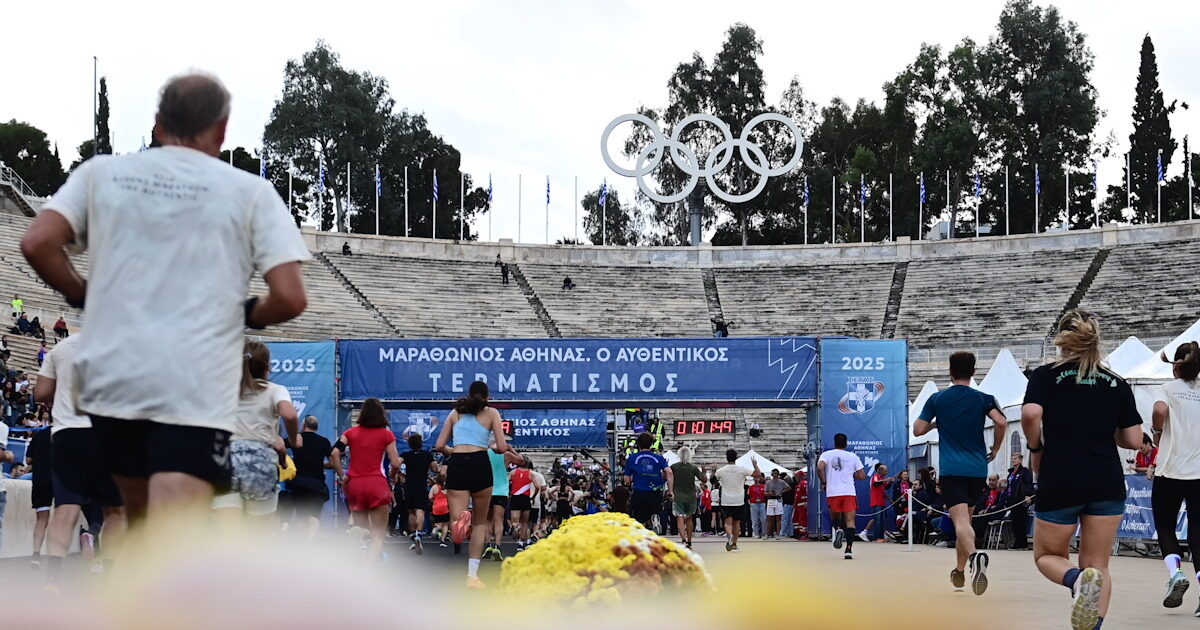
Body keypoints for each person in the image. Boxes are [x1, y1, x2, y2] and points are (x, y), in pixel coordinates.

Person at [22, 72, 310, 525]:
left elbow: (37, 242)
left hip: (115, 372)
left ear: (158, 125)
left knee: (139, 521)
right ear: (221, 130)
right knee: (178, 526)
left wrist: (83, 294)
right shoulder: (251, 191)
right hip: (195, 376)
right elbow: (291, 299)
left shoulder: (103, 174)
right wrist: (246, 312)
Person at [1021, 309, 1143, 630]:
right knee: (1099, 564)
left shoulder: (1045, 376)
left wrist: (1036, 448)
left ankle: (1075, 580)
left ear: (1061, 341)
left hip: (1061, 475)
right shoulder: (1116, 383)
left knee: (1047, 556)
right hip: (1106, 479)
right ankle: (1094, 624)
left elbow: (1031, 414)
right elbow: (1134, 439)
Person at [913, 351, 1007, 595]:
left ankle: (975, 557)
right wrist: (995, 449)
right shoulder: (984, 398)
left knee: (961, 522)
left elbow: (918, 430)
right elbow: (1002, 422)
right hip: (977, 468)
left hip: (952, 469)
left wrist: (936, 423)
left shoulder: (938, 399)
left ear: (950, 372)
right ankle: (959, 571)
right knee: (965, 522)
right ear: (974, 372)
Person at [35, 333, 127, 582]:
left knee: (65, 510)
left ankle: (52, 581)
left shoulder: (63, 346)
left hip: (68, 434)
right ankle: (109, 578)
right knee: (114, 512)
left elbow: (40, 392)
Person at [433, 380, 515, 588]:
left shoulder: (456, 413)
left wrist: (455, 451)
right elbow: (502, 446)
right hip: (480, 462)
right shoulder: (492, 413)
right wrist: (492, 447)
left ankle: (459, 524)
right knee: (480, 523)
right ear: (487, 397)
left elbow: (439, 445)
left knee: (455, 516)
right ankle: (472, 576)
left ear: (469, 395)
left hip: (458, 463)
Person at [212, 341, 300, 526]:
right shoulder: (275, 390)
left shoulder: (225, 391)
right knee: (259, 533)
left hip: (227, 458)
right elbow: (289, 414)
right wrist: (293, 438)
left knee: (228, 531)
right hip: (260, 459)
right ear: (268, 367)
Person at [1150, 341, 1200, 613]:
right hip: (1199, 474)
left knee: (1166, 526)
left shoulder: (1166, 389)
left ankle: (1176, 574)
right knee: (1198, 533)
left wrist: (1158, 430)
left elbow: (1159, 411)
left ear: (1176, 367)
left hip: (1170, 470)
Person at [331, 398, 402, 561]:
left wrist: (342, 476)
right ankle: (369, 567)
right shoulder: (386, 434)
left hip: (354, 484)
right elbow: (395, 462)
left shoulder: (350, 433)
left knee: (360, 528)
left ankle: (357, 547)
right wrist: (392, 476)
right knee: (379, 534)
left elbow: (334, 453)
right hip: (377, 483)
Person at [817, 433, 866, 560]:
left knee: (835, 517)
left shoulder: (826, 454)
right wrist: (852, 474)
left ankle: (838, 529)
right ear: (846, 443)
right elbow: (862, 476)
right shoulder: (852, 456)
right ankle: (848, 550)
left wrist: (824, 482)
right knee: (850, 521)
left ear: (834, 443)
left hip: (833, 491)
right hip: (849, 491)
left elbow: (820, 467)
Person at [285, 415, 332, 539]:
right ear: (317, 427)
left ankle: (303, 546)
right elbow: (333, 462)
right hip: (317, 485)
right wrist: (320, 464)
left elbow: (279, 447)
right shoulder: (324, 441)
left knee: (301, 516)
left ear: (303, 425)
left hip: (299, 484)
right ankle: (310, 542)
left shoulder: (296, 439)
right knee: (314, 517)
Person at [483, 440, 524, 561]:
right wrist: (511, 449)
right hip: (501, 491)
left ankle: (488, 545)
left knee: (487, 520)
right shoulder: (507, 454)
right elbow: (522, 461)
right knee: (498, 520)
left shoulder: (485, 453)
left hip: (486, 489)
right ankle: (497, 546)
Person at [715, 448, 760, 552]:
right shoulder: (742, 469)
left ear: (726, 458)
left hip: (726, 500)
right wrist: (755, 464)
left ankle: (729, 535)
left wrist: (714, 470)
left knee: (728, 522)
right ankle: (734, 544)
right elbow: (757, 474)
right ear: (736, 458)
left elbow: (714, 479)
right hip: (739, 499)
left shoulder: (721, 470)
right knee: (737, 523)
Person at [623, 432, 672, 529]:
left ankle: (644, 530)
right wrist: (670, 490)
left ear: (638, 444)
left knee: (640, 518)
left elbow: (627, 480)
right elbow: (669, 472)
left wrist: (632, 479)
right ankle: (654, 518)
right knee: (654, 510)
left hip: (639, 491)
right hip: (655, 491)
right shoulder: (658, 458)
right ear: (651, 444)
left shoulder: (632, 458)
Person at [398, 433, 435, 554]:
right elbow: (435, 468)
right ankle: (419, 533)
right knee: (420, 511)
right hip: (421, 486)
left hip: (409, 487)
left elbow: (396, 463)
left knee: (411, 511)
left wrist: (398, 474)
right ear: (421, 443)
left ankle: (413, 534)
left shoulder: (406, 455)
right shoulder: (427, 455)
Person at [26, 421, 52, 568]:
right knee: (63, 518)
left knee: (42, 520)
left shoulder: (39, 435)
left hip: (40, 480)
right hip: (60, 480)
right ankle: (56, 556)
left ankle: (36, 554)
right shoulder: (65, 435)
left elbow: (28, 459)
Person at [669, 446, 705, 549]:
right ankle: (689, 541)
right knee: (689, 519)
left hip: (678, 496)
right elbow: (704, 479)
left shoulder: (674, 467)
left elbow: (666, 476)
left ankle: (683, 539)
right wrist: (703, 470)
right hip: (691, 497)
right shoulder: (693, 467)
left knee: (679, 518)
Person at [1002, 453, 1034, 550]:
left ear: (1020, 460)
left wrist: (1027, 495)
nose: (1013, 461)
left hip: (1020, 499)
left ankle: (1022, 543)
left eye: (1015, 459)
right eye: (1012, 459)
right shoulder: (1011, 473)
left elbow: (1028, 483)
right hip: (1012, 500)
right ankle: (1017, 542)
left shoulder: (1025, 472)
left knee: (1021, 521)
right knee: (1015, 522)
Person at [509, 457, 536, 549]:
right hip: (525, 498)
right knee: (525, 522)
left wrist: (509, 492)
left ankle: (516, 528)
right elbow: (537, 486)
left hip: (515, 497)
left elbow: (506, 482)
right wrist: (533, 496)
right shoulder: (531, 473)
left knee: (515, 521)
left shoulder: (513, 472)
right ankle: (521, 541)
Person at [869, 464, 896, 541]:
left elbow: (885, 487)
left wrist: (890, 482)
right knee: (877, 520)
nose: (886, 472)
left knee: (882, 520)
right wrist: (887, 480)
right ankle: (876, 537)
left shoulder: (882, 478)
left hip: (882, 502)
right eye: (885, 471)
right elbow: (876, 483)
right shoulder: (876, 476)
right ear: (880, 470)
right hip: (876, 502)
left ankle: (881, 537)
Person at [765, 469, 789, 540]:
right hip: (771, 500)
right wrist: (770, 493)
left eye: (776, 473)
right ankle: (768, 534)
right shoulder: (768, 482)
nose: (774, 475)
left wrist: (782, 491)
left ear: (778, 474)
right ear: (771, 474)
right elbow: (765, 492)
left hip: (778, 500)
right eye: (773, 473)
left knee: (778, 518)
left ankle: (778, 534)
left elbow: (788, 488)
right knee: (769, 518)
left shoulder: (781, 482)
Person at [429, 476, 450, 547]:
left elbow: (430, 497)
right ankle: (442, 540)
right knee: (446, 525)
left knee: (439, 523)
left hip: (436, 507)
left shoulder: (434, 487)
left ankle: (436, 528)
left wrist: (435, 499)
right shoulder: (446, 488)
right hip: (445, 507)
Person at [748, 474, 767, 538]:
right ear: (753, 479)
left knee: (763, 519)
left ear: (759, 479)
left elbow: (765, 494)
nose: (756, 479)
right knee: (755, 520)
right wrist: (750, 503)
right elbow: (748, 496)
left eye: (757, 478)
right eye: (755, 478)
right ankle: (756, 533)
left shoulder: (763, 486)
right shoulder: (751, 487)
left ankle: (764, 533)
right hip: (754, 503)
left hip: (762, 503)